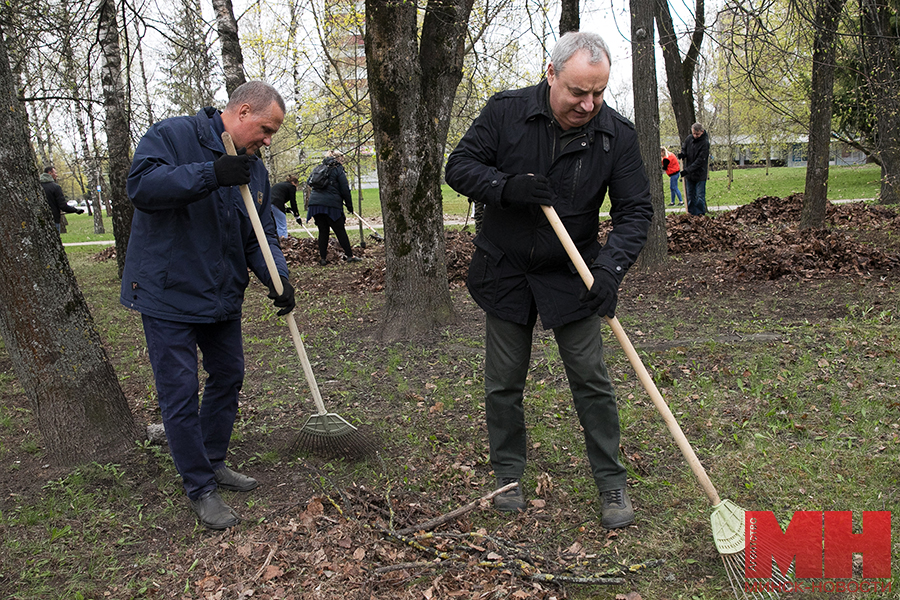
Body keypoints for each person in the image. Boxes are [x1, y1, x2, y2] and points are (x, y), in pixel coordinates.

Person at [445, 31, 652, 530]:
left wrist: (610, 268)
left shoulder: (615, 135)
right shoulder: (505, 112)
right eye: (579, 91)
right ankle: (508, 476)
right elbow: (459, 167)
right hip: (506, 270)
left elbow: (635, 211)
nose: (589, 103)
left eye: (599, 92)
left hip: (572, 272)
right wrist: (506, 187)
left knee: (592, 380)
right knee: (503, 382)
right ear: (551, 73)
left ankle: (610, 481)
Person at [120, 81, 295, 531]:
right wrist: (211, 173)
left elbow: (258, 235)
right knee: (179, 392)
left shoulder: (254, 169)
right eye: (265, 128)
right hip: (168, 292)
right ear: (240, 111)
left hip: (220, 293)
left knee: (229, 375)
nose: (267, 139)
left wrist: (279, 278)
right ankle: (199, 487)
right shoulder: (173, 136)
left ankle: (213, 460)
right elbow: (142, 187)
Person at [306, 151, 361, 265]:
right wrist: (349, 206)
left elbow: (310, 182)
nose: (343, 161)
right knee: (339, 229)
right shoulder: (337, 168)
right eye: (342, 159)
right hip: (331, 205)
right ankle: (350, 255)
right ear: (338, 158)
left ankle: (323, 259)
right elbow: (345, 188)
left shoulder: (319, 167)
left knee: (323, 231)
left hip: (315, 204)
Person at [679, 123, 710, 215]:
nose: (695, 136)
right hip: (690, 175)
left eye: (697, 134)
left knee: (700, 197)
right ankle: (691, 214)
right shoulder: (689, 139)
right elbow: (684, 148)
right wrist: (683, 154)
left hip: (700, 174)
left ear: (702, 131)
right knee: (690, 196)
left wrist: (687, 170)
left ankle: (700, 215)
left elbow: (700, 161)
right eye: (694, 134)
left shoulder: (705, 143)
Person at [40, 166, 83, 231]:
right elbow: (63, 206)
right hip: (53, 219)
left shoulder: (37, 186)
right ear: (49, 173)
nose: (56, 175)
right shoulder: (55, 187)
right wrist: (75, 210)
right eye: (55, 173)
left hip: (39, 219)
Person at [270, 174, 300, 241]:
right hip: (276, 203)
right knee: (282, 225)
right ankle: (284, 242)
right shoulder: (291, 187)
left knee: (275, 224)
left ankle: (277, 241)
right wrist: (297, 216)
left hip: (269, 203)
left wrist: (286, 210)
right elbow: (293, 201)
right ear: (294, 183)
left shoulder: (281, 185)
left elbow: (279, 197)